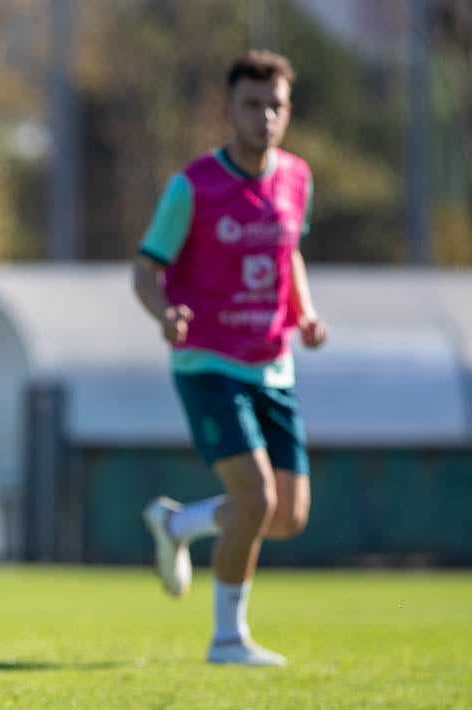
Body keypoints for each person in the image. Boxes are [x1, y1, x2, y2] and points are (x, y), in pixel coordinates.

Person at [132, 50, 327, 667]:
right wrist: (164, 314)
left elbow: (288, 251)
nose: (265, 116)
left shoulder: (297, 177)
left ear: (288, 111)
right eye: (252, 104)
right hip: (209, 363)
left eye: (276, 105)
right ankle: (227, 638)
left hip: (274, 363)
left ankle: (181, 525)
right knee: (257, 499)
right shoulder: (193, 186)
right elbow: (145, 268)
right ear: (228, 109)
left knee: (288, 515)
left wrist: (307, 311)